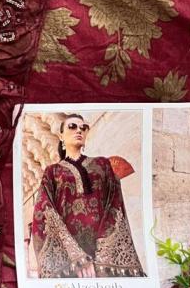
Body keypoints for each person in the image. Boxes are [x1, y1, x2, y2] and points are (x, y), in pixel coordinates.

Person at [31, 114, 145, 278]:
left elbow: (115, 205)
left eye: (83, 128)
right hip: (69, 258)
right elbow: (44, 211)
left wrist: (103, 255)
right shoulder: (52, 171)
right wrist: (77, 259)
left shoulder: (102, 164)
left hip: (103, 254)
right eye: (72, 126)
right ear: (61, 136)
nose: (79, 130)